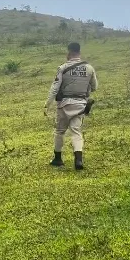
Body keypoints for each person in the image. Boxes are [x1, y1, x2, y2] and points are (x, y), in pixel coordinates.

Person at [44, 42, 98, 170]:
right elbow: (95, 87)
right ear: (79, 52)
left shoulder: (62, 68)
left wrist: (47, 105)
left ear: (69, 52)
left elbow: (54, 88)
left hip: (64, 105)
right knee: (76, 132)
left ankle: (58, 159)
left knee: (60, 131)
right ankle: (78, 160)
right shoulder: (89, 68)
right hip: (80, 105)